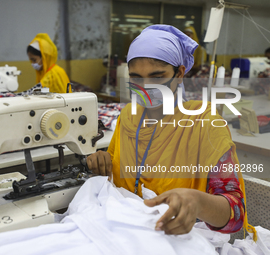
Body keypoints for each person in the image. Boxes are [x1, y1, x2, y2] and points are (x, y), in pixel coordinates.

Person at [87, 25, 256, 239]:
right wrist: (104, 162)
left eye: (157, 77)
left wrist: (198, 203)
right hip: (126, 234)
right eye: (136, 78)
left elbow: (236, 215)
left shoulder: (204, 123)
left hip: (181, 240)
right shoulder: (128, 117)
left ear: (179, 74)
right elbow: (118, 169)